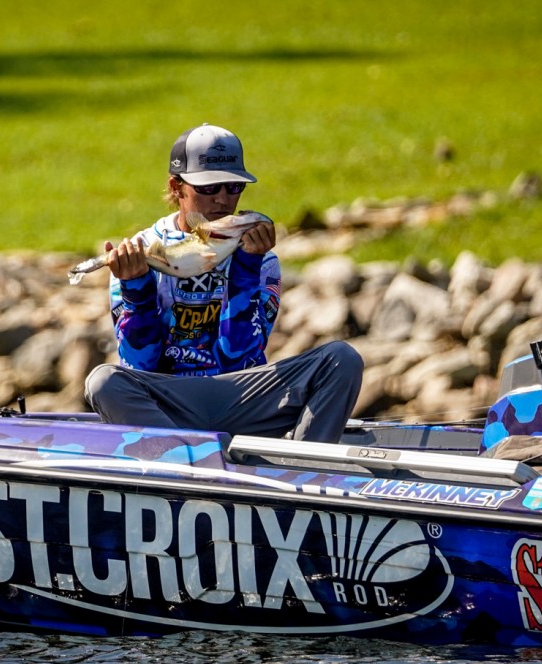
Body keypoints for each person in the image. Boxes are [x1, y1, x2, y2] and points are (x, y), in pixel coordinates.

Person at [84, 123, 363, 443]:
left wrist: (246, 269)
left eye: (233, 187)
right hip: (169, 402)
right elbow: (139, 364)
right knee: (103, 381)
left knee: (342, 359)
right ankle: (185, 456)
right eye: (208, 188)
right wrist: (137, 290)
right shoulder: (139, 253)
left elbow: (237, 359)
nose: (222, 199)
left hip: (240, 398)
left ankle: (303, 464)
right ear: (176, 187)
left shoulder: (261, 259)